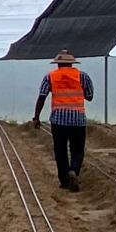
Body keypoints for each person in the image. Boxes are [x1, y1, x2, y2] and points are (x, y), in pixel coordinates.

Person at [37, 48, 93, 189]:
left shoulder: (50, 76)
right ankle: (73, 170)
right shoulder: (83, 76)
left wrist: (36, 117)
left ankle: (64, 181)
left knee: (60, 151)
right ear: (72, 63)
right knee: (77, 149)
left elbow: (42, 97)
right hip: (78, 119)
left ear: (58, 64)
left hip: (58, 120)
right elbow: (90, 96)